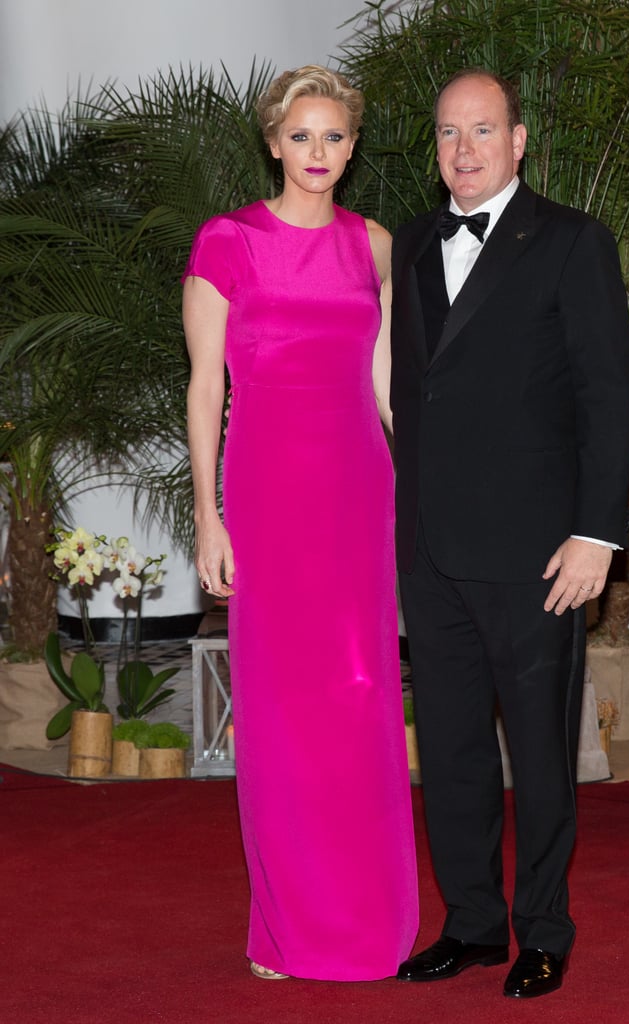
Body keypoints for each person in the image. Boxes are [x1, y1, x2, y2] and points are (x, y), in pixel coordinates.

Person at [390, 68, 629, 998]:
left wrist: (595, 535)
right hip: (429, 546)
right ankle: (472, 924)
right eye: (448, 132)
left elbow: (608, 396)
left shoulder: (572, 241)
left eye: (481, 130)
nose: (462, 150)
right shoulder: (412, 241)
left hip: (539, 553)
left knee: (537, 752)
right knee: (448, 747)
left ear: (518, 139)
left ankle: (543, 927)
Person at [182, 64, 418, 981]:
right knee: (282, 712)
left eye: (334, 137)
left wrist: (441, 480)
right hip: (270, 495)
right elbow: (205, 390)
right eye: (301, 136)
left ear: (351, 148)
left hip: (358, 492)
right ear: (272, 142)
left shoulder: (376, 246)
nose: (318, 153)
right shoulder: (229, 241)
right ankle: (284, 929)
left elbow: (391, 389)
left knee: (360, 699)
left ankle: (372, 922)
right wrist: (209, 517)